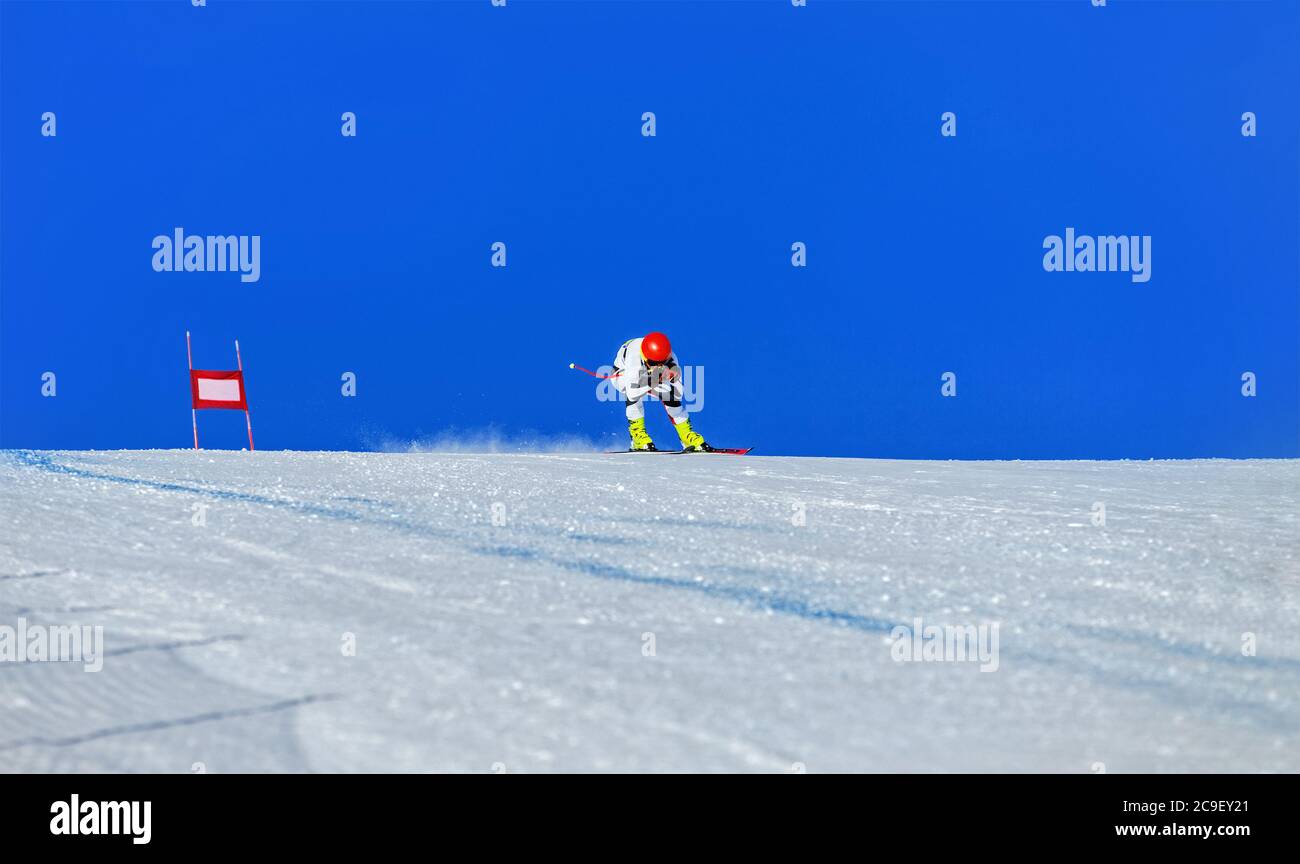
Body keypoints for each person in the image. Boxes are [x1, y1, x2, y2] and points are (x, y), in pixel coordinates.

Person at [611, 332, 708, 452]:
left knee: (670, 395)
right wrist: (655, 379)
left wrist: (672, 377)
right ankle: (638, 438)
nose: (657, 366)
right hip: (622, 374)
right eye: (652, 363)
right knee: (632, 393)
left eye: (662, 363)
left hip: (652, 377)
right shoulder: (634, 357)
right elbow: (632, 392)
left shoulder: (671, 358)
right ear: (645, 358)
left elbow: (678, 393)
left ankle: (686, 435)